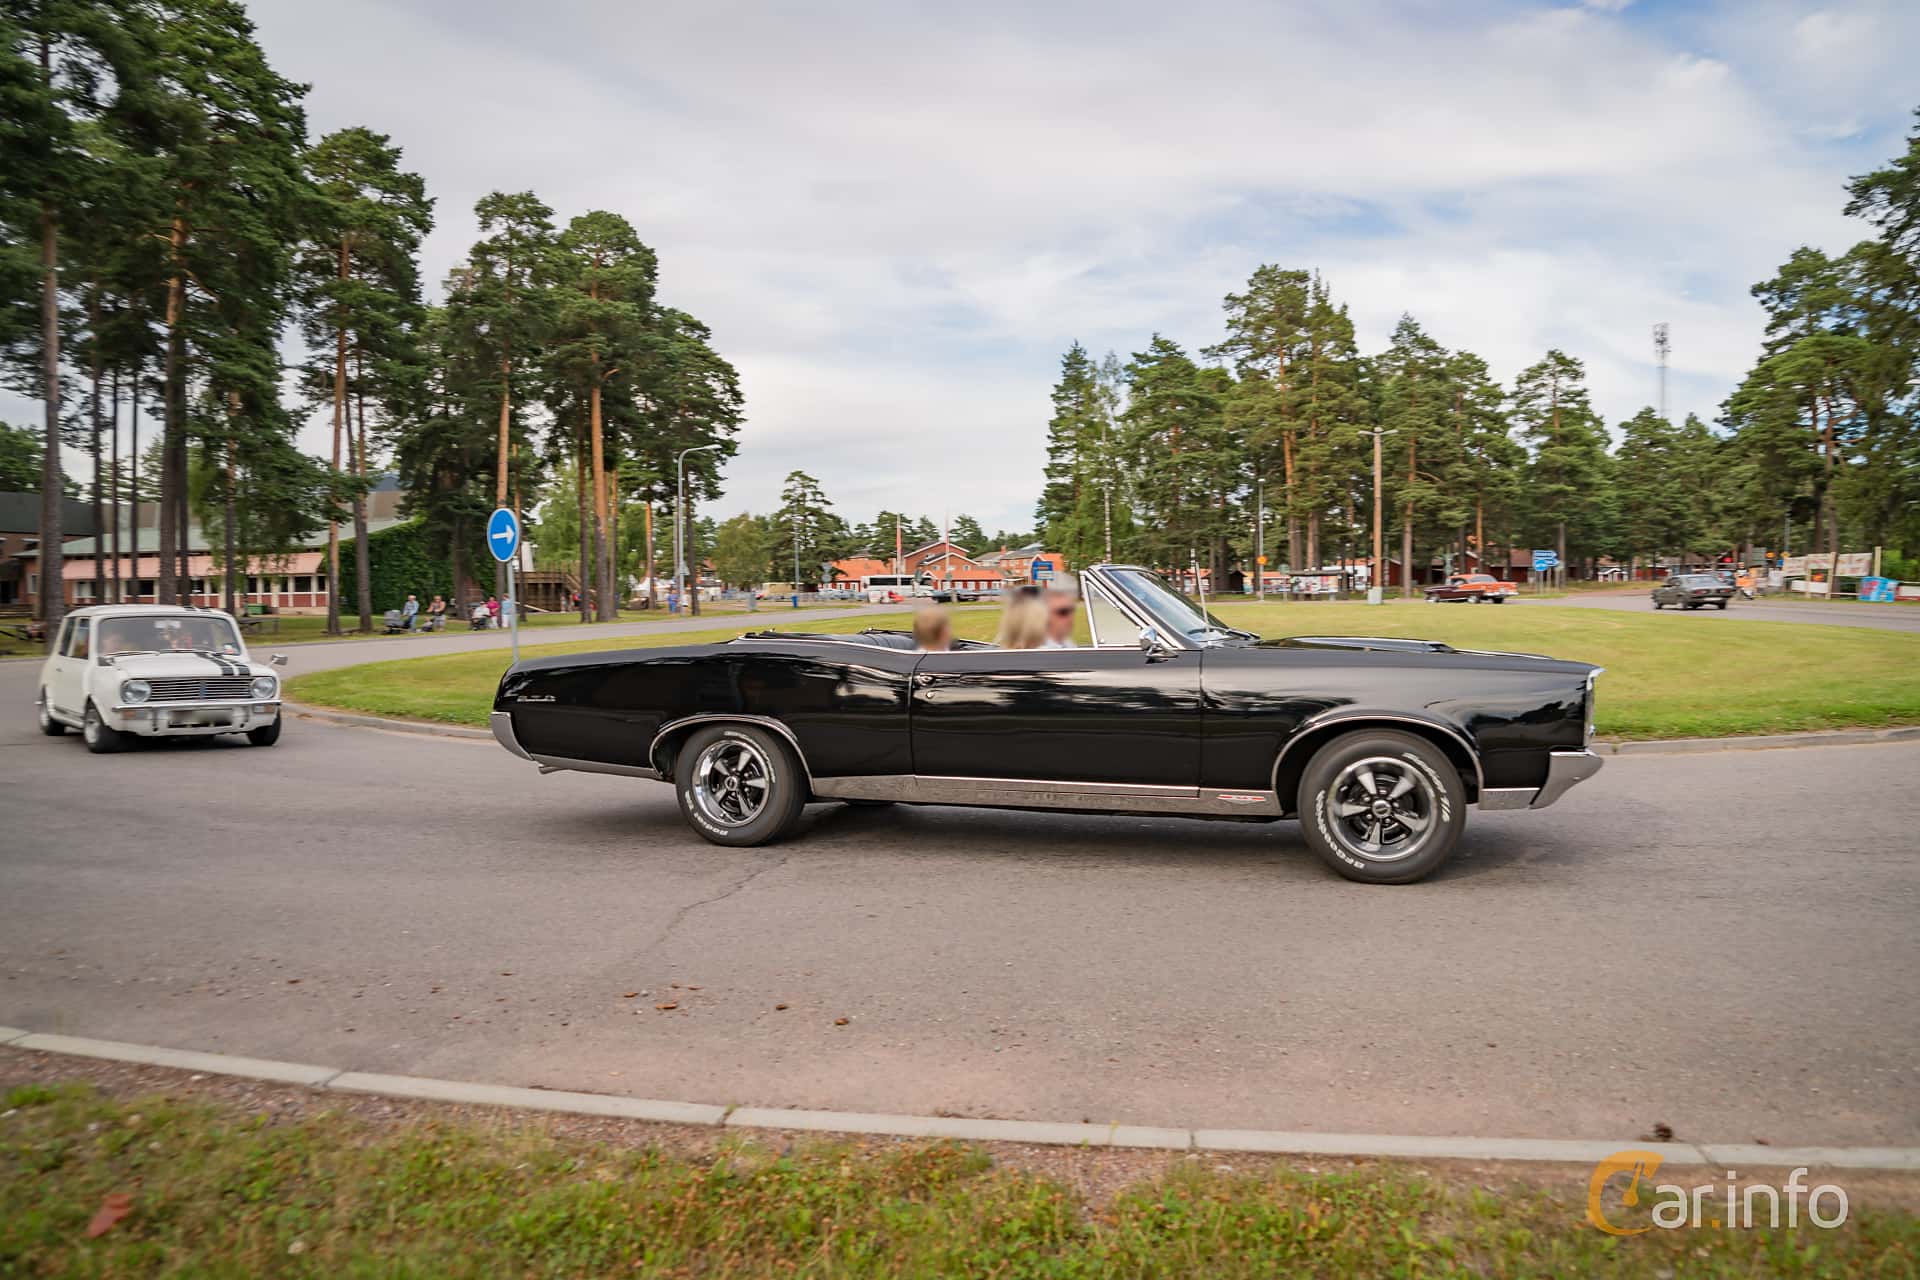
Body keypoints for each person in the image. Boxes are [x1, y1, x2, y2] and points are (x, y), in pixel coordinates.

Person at [1041, 581, 1078, 648]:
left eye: (1072, 610)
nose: (1070, 617)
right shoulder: (1040, 650)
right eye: (1063, 612)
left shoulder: (1068, 643)